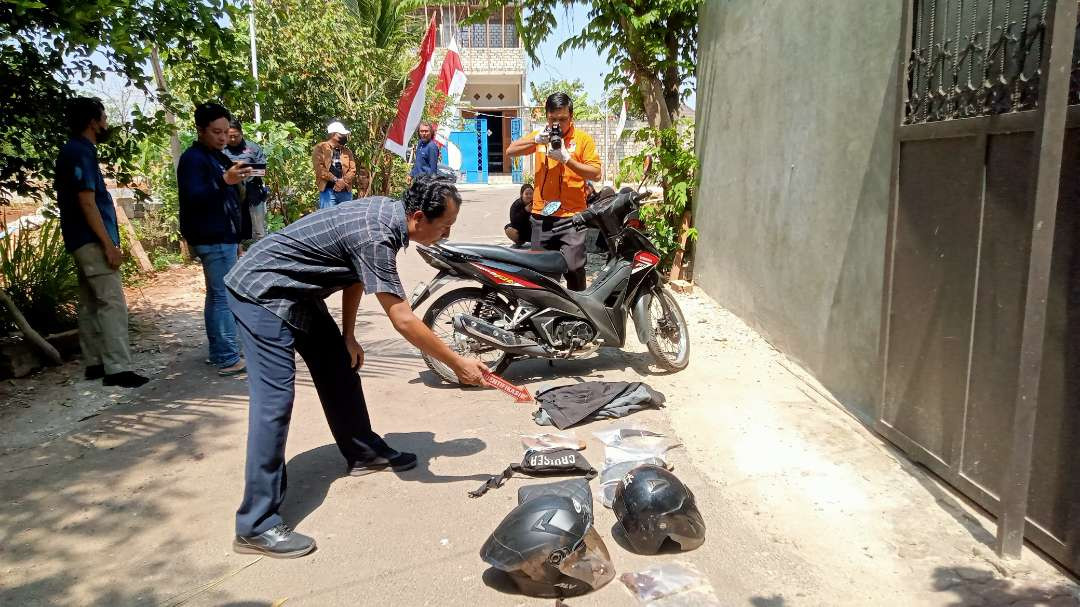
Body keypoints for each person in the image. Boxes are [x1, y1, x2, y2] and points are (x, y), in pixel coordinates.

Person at [224, 176, 489, 558]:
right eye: (445, 226)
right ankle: (255, 525)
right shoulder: (377, 235)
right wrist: (458, 363)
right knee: (274, 404)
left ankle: (363, 451)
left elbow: (354, 274)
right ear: (418, 217)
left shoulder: (389, 218)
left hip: (296, 291)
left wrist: (348, 335)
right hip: (260, 292)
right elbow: (403, 319)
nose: (447, 233)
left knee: (338, 365)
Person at [54, 97, 149, 388]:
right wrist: (108, 243)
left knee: (90, 302)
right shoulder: (81, 152)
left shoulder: (71, 151)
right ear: (92, 121)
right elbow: (87, 201)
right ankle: (118, 368)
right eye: (103, 117)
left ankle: (94, 363)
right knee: (111, 302)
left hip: (79, 238)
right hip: (91, 239)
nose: (106, 122)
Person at [178, 102, 250, 377]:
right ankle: (226, 356)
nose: (222, 137)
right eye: (216, 132)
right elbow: (194, 197)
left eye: (225, 132)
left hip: (224, 236)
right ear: (200, 130)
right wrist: (225, 180)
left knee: (218, 296)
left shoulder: (215, 156)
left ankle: (222, 350)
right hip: (212, 236)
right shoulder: (193, 159)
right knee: (222, 297)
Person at [506, 92, 602, 291]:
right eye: (552, 119)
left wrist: (568, 160)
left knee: (575, 269)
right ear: (546, 117)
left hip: (572, 218)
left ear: (571, 117)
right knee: (541, 275)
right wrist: (536, 141)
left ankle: (577, 315)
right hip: (542, 217)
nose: (557, 124)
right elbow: (511, 151)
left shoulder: (583, 140)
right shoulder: (541, 135)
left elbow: (596, 173)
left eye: (563, 119)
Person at [224, 120, 269, 241]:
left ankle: (261, 255)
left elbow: (263, 168)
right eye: (229, 136)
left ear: (241, 133)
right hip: (230, 196)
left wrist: (247, 169)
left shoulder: (253, 148)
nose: (232, 139)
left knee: (259, 230)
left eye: (235, 136)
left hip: (253, 193)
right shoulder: (221, 149)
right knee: (232, 229)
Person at [312, 121, 356, 209]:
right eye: (341, 134)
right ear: (333, 134)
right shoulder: (320, 148)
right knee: (328, 219)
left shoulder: (347, 151)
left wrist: (343, 182)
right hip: (327, 191)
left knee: (346, 218)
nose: (343, 137)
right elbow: (320, 170)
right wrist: (336, 180)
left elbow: (353, 170)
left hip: (345, 191)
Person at [504, 183, 534, 248]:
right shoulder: (516, 205)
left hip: (534, 230)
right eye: (526, 194)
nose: (529, 196)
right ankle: (519, 242)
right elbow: (514, 222)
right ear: (521, 194)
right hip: (522, 230)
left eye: (531, 194)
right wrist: (525, 211)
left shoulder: (536, 203)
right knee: (508, 228)